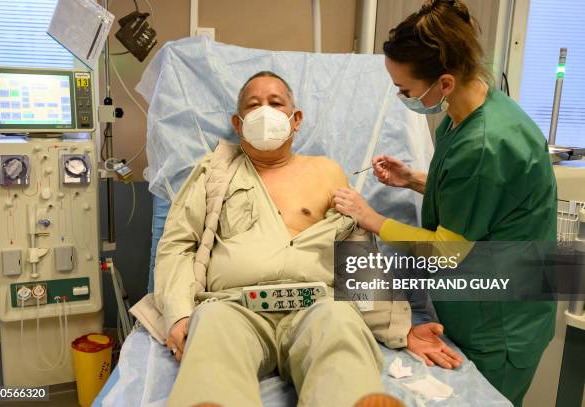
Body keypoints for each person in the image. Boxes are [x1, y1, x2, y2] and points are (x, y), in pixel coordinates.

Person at [154, 71, 461, 407]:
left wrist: (401, 330)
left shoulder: (326, 171)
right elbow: (179, 244)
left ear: (295, 119)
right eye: (253, 106)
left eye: (275, 103)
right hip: (235, 305)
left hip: (317, 303)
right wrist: (180, 314)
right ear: (238, 123)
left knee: (341, 329)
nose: (265, 112)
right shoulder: (214, 172)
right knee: (211, 331)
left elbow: (355, 251)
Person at [333, 1, 557, 406]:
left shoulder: (487, 144)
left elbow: (449, 248)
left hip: (500, 324)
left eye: (405, 90)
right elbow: (474, 198)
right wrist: (415, 179)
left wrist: (372, 219)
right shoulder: (469, 110)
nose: (402, 97)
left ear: (445, 82)